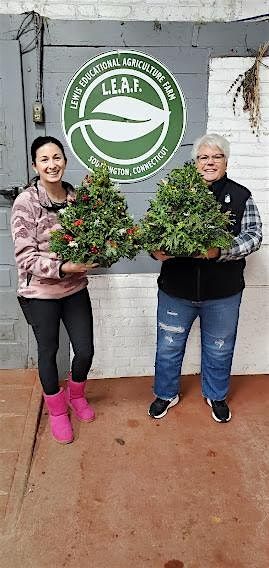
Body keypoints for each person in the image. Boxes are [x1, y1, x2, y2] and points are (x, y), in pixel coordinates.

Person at [148, 133, 262, 423]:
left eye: (216, 157)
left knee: (219, 348)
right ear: (195, 162)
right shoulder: (175, 194)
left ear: (226, 161)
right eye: (203, 157)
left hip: (222, 293)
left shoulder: (240, 196)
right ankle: (165, 393)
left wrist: (219, 251)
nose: (210, 162)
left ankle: (216, 395)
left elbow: (253, 237)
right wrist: (155, 251)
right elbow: (153, 232)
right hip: (176, 289)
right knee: (169, 346)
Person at [11, 136, 98, 444]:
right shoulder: (26, 202)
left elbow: (91, 240)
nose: (52, 164)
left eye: (57, 157)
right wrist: (62, 268)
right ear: (36, 165)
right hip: (40, 294)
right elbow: (26, 257)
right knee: (49, 353)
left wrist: (98, 254)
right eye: (44, 159)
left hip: (75, 289)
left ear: (65, 160)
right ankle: (58, 410)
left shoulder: (76, 199)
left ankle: (77, 395)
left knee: (85, 350)